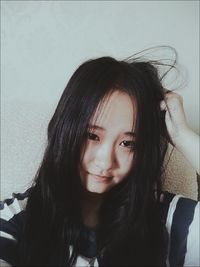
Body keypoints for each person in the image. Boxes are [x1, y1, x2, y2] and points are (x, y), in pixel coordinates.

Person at [0, 52, 199, 267]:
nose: (105, 162)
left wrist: (183, 137)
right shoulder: (15, 218)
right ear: (65, 130)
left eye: (128, 143)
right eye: (92, 136)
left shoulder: (172, 219)